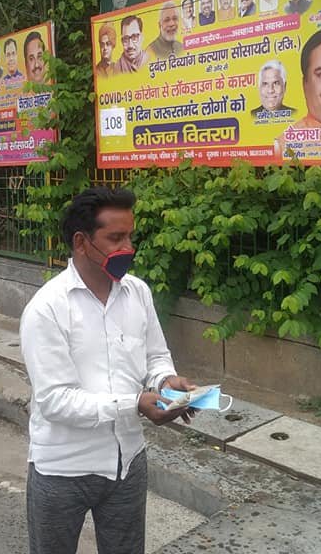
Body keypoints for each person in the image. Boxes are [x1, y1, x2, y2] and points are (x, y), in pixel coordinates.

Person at [20, 187, 196, 554]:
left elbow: (155, 357)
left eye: (130, 236)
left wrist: (167, 381)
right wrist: (134, 404)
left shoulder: (138, 293)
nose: (128, 247)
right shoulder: (47, 309)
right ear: (82, 243)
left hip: (127, 463)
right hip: (62, 469)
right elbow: (55, 401)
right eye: (116, 238)